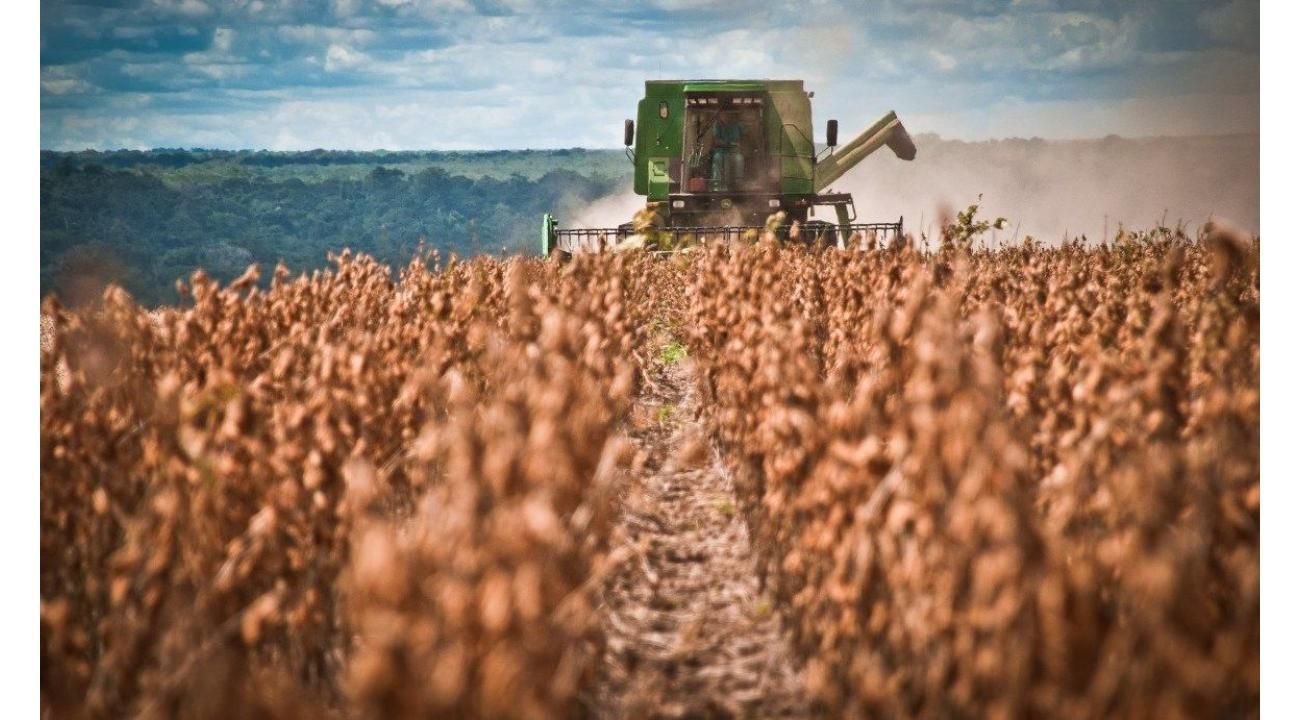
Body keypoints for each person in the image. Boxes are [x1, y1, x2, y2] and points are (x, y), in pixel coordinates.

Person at [710, 110, 745, 191]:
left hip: (735, 151)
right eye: (723, 115)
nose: (726, 116)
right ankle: (717, 185)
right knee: (717, 158)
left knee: (739, 159)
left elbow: (746, 137)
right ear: (720, 115)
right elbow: (716, 140)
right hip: (721, 150)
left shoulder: (738, 125)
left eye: (728, 114)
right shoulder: (717, 125)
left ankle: (738, 183)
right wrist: (729, 143)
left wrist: (742, 145)